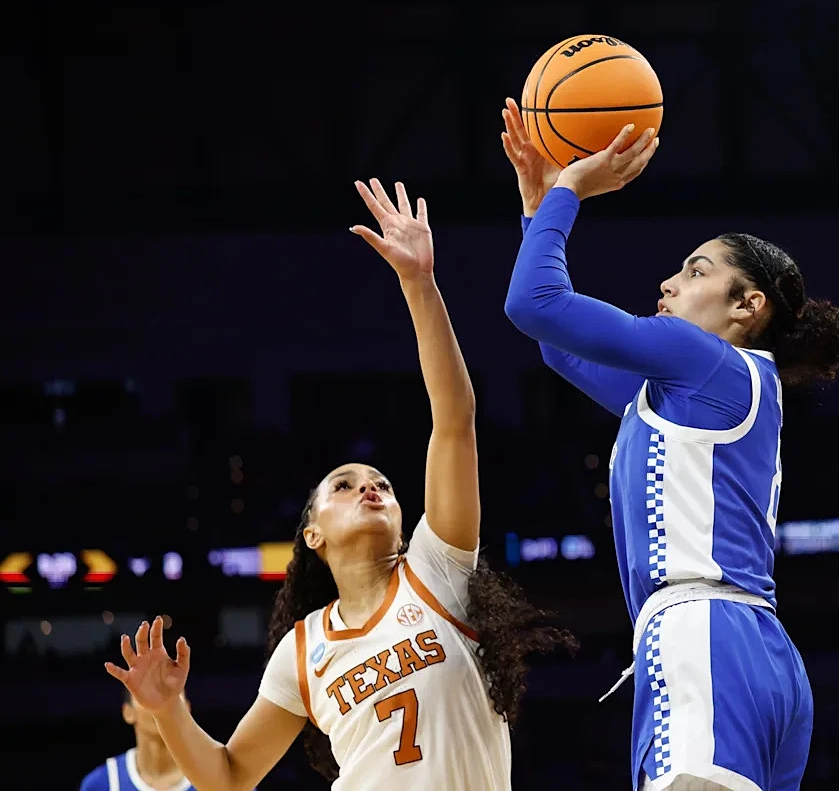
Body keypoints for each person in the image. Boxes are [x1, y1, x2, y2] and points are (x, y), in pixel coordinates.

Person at [104, 179, 576, 790]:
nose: (368, 489)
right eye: (344, 486)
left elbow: (454, 418)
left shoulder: (436, 568)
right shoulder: (303, 651)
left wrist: (419, 284)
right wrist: (169, 710)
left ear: (405, 524)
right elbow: (230, 776)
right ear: (313, 535)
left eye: (381, 484)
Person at [501, 98, 839, 791]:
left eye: (696, 271)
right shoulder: (710, 387)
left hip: (703, 635)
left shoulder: (701, 359)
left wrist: (571, 188)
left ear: (747, 305)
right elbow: (556, 347)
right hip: (762, 652)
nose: (668, 282)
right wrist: (537, 208)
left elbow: (531, 304)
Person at [80, 688, 198, 791]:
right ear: (128, 712)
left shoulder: (208, 772)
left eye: (170, 693)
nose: (161, 705)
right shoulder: (102, 783)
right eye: (149, 694)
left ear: (187, 709)